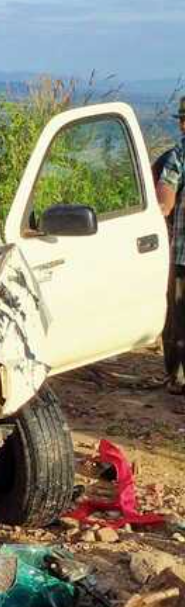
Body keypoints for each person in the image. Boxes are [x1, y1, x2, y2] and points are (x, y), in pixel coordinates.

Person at [158, 97, 185, 393]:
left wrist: (160, 208)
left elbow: (165, 196)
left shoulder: (180, 153)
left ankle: (178, 377)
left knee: (179, 316)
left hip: (182, 255)